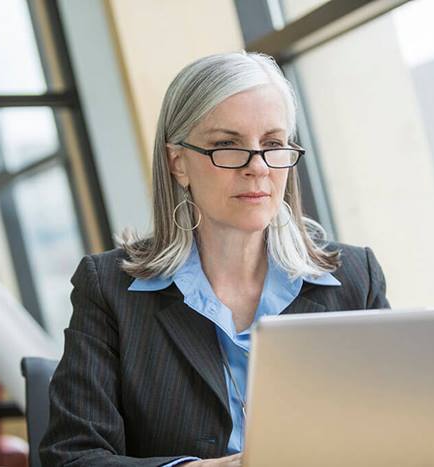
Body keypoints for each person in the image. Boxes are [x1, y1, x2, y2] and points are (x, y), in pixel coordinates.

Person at [40, 51, 389, 467]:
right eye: (227, 145)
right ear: (178, 162)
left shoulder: (355, 278)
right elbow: (72, 458)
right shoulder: (109, 290)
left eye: (273, 144)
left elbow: (405, 431)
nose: (257, 167)